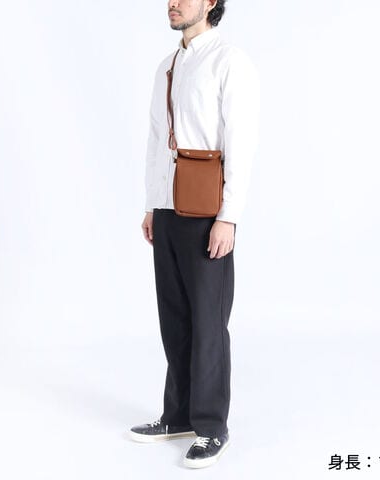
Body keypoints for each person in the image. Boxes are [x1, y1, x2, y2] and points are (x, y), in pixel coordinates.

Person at [129, 0, 260, 469]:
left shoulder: (229, 61)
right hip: (168, 207)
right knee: (175, 316)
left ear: (211, 3)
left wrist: (229, 216)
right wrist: (152, 204)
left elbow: (240, 141)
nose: (173, 3)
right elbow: (155, 138)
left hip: (207, 210)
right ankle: (179, 415)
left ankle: (211, 426)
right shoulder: (167, 66)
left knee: (208, 321)